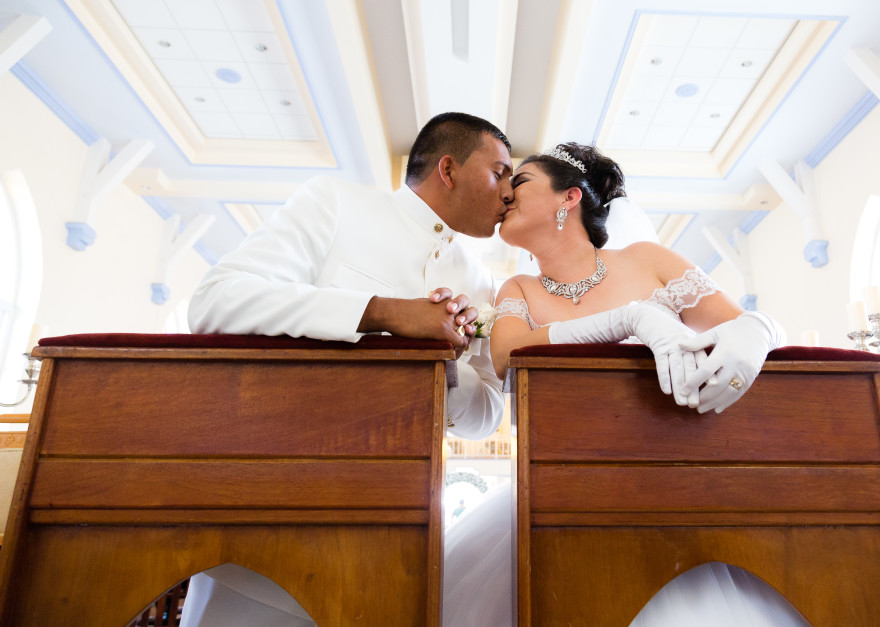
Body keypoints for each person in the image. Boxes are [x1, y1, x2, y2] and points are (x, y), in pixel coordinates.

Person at [442, 143, 801, 626]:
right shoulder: (519, 290)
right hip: (565, 492)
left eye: (520, 181)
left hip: (676, 483)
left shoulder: (647, 260)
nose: (506, 193)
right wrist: (628, 319)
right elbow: (508, 356)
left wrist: (760, 331)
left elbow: (741, 326)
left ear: (569, 198)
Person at [181, 112, 514, 626]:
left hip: (396, 544)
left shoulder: (481, 282)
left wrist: (449, 369)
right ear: (448, 169)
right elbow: (215, 302)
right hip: (266, 534)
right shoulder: (335, 204)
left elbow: (487, 417)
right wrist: (381, 311)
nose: (509, 192)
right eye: (499, 172)